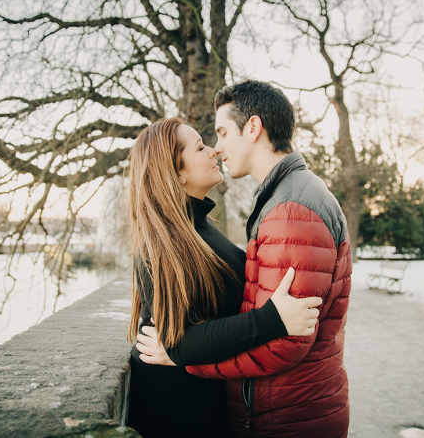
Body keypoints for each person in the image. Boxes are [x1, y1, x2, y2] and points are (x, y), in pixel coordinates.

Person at [139, 81, 353, 437]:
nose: (217, 148)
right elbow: (183, 334)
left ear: (252, 128)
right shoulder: (280, 202)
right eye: (205, 143)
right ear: (176, 172)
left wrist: (186, 361)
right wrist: (183, 351)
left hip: (284, 415)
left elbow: (286, 344)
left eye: (221, 133)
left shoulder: (289, 209)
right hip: (272, 410)